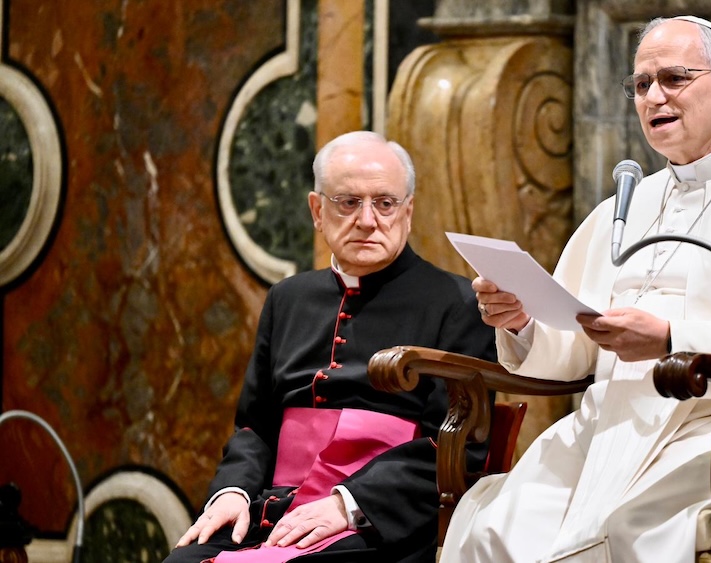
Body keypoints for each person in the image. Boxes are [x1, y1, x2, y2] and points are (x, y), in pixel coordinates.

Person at [442, 15, 711, 563]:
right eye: (642, 84)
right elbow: (576, 348)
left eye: (673, 78)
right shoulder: (625, 207)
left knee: (623, 532)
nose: (654, 96)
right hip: (612, 424)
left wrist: (673, 337)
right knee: (496, 528)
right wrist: (522, 322)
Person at [164, 131, 496, 563]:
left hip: (378, 522)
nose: (367, 219)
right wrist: (232, 492)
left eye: (385, 203)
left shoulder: (457, 304)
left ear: (408, 212)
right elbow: (255, 428)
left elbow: (456, 447)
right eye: (347, 202)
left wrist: (348, 502)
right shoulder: (287, 299)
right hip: (274, 511)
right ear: (317, 210)